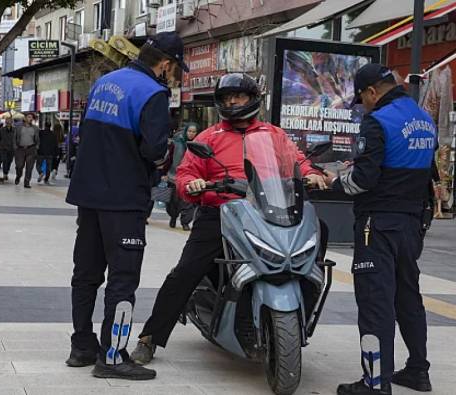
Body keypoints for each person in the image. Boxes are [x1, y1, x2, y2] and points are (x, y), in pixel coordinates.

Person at [130, 73, 328, 367]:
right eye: (226, 98)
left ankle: (297, 312)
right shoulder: (209, 137)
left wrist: (311, 174)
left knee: (318, 237)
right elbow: (186, 173)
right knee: (185, 272)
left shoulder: (274, 135)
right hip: (221, 213)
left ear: (253, 99)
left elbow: (297, 160)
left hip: (268, 211)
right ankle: (149, 338)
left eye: (239, 96)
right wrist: (193, 183)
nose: (232, 101)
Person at [64, 31, 188, 380]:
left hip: (88, 195)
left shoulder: (105, 83)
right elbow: (154, 150)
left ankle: (82, 347)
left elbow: (85, 135)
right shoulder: (153, 93)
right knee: (122, 279)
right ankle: (114, 356)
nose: (174, 76)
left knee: (85, 274)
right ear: (165, 64)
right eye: (176, 69)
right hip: (123, 199)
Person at [326, 64, 435, 395]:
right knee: (408, 297)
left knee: (375, 302)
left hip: (378, 224)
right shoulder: (424, 118)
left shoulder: (377, 122)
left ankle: (375, 383)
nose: (364, 105)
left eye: (363, 99)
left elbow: (362, 181)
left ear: (371, 91)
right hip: (411, 223)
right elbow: (425, 172)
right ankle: (418, 371)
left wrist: (332, 181)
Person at [166, 123, 198, 231]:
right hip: (174, 175)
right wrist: (164, 173)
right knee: (173, 200)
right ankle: (173, 217)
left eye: (194, 132)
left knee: (188, 202)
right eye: (190, 131)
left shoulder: (198, 144)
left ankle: (185, 222)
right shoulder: (176, 142)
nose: (191, 134)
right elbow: (169, 158)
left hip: (191, 176)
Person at [15, 113, 40, 188]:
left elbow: (37, 139)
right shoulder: (18, 127)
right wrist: (15, 147)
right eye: (29, 117)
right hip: (20, 149)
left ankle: (27, 182)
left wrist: (37, 147)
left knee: (29, 167)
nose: (30, 119)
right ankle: (18, 176)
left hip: (31, 149)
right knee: (19, 166)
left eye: (32, 118)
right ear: (25, 118)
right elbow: (14, 138)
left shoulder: (35, 128)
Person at [0, 117, 15, 181]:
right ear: (5, 123)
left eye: (10, 122)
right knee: (4, 161)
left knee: (9, 161)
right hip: (3, 148)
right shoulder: (1, 130)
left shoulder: (15, 130)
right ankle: (5, 174)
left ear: (12, 123)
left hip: (11, 149)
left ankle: (6, 171)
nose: (8, 123)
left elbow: (17, 139)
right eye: (7, 122)